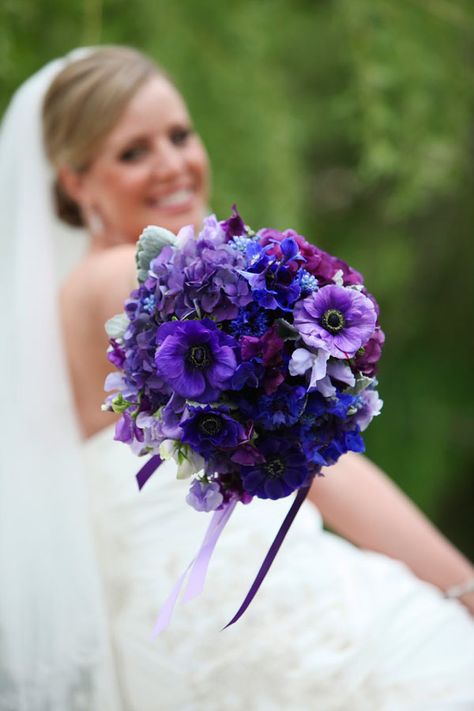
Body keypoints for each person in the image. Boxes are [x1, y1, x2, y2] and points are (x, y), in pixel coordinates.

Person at [1, 45, 473, 711]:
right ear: (76, 182)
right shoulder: (131, 285)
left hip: (174, 629)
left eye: (178, 134)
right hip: (254, 611)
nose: (171, 163)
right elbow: (321, 465)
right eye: (132, 152)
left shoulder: (74, 295)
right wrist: (459, 585)